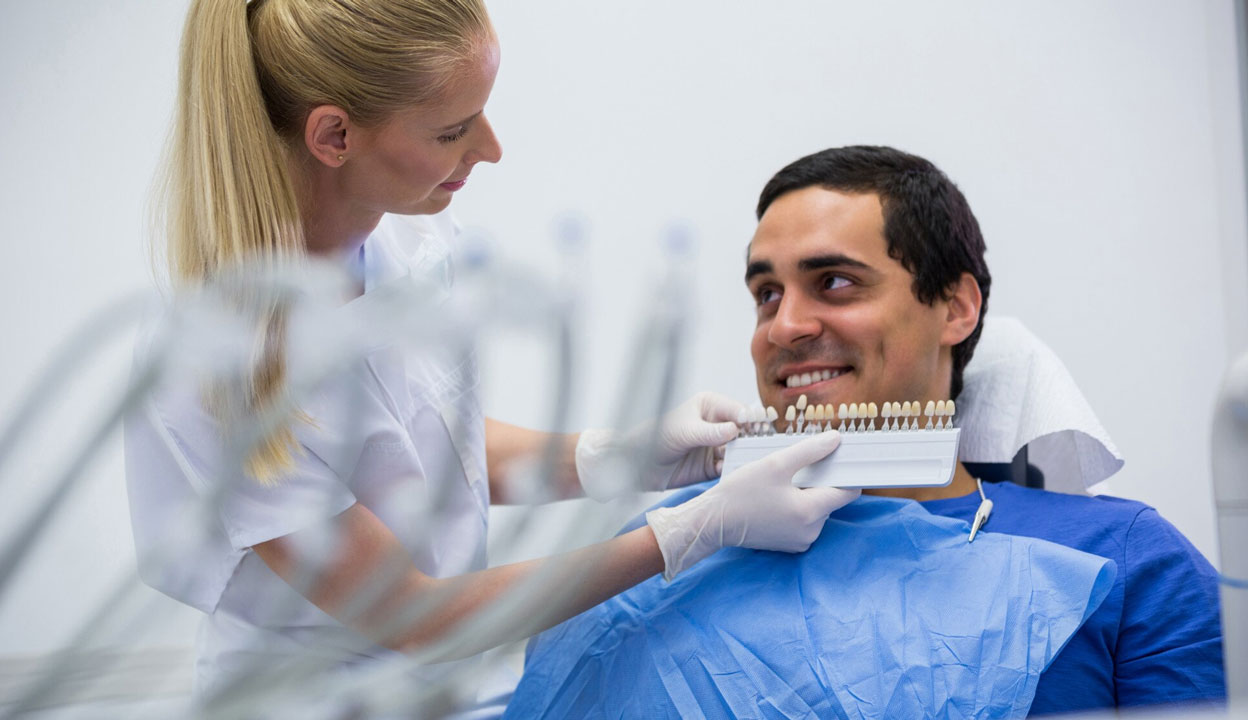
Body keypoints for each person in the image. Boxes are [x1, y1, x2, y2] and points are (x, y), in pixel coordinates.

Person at [122, 0, 857, 714]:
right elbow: (414, 617)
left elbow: (419, 451)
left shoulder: (406, 240)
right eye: (452, 131)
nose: (491, 149)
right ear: (335, 135)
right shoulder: (215, 365)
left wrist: (624, 457)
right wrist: (691, 531)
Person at [506, 145, 1227, 717]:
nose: (784, 327)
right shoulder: (661, 553)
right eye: (766, 294)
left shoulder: (1125, 559)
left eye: (835, 282)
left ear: (956, 308)